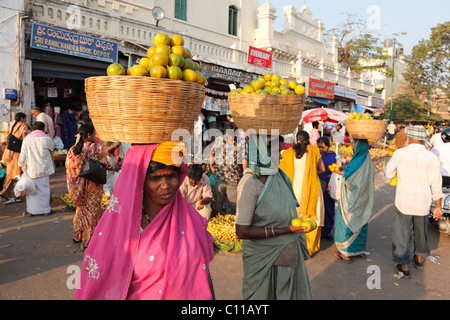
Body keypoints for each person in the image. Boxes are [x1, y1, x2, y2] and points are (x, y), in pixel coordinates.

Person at [74, 142, 215, 300]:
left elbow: (204, 276)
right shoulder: (120, 226)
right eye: (155, 178)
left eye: (171, 176)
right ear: (140, 180)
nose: (165, 186)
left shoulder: (191, 220)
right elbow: (102, 281)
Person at [236, 134, 312, 300]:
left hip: (287, 251)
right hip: (261, 256)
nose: (280, 155)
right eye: (276, 150)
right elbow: (242, 231)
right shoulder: (250, 183)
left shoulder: (278, 177)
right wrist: (285, 230)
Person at [385, 126, 443, 278]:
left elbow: (388, 173)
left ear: (409, 138)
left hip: (403, 202)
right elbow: (436, 183)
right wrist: (438, 206)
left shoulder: (400, 153)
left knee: (402, 233)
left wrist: (391, 178)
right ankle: (419, 258)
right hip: (423, 204)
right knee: (421, 232)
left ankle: (404, 266)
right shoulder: (431, 157)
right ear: (423, 139)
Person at [65, 125, 116, 250]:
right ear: (89, 135)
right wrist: (115, 167)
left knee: (81, 210)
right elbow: (106, 164)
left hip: (79, 187)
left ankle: (77, 236)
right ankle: (88, 239)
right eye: (93, 134)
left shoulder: (73, 149)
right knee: (92, 212)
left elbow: (69, 166)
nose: (94, 136)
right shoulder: (96, 148)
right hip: (93, 185)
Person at [279, 130, 325, 256]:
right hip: (310, 189)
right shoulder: (314, 151)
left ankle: (292, 245)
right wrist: (313, 175)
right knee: (312, 218)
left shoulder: (288, 153)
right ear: (309, 140)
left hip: (293, 189)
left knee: (294, 218)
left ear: (296, 139)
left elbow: (281, 172)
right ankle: (309, 248)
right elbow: (322, 169)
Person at [333, 139, 374, 263]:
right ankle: (359, 249)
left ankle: (345, 251)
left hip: (351, 199)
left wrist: (340, 169)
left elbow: (348, 179)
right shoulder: (367, 159)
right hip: (363, 198)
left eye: (354, 146)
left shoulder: (356, 162)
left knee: (345, 221)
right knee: (361, 221)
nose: (352, 149)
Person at [17, 122, 55, 217]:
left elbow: (23, 154)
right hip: (44, 169)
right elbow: (52, 148)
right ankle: (46, 210)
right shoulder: (46, 138)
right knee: (44, 189)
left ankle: (31, 211)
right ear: (43, 128)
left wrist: (20, 166)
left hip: (31, 169)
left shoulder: (27, 139)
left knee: (31, 191)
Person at [210, 122, 247, 216]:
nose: (232, 137)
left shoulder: (242, 142)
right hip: (220, 175)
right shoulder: (220, 140)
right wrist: (211, 165)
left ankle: (230, 217)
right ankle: (217, 215)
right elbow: (212, 153)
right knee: (218, 197)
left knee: (232, 201)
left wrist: (245, 173)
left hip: (234, 176)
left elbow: (244, 160)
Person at [0, 112, 29, 204]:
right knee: (18, 172)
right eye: (25, 118)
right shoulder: (24, 126)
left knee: (10, 173)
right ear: (21, 118)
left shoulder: (14, 125)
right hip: (17, 152)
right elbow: (24, 140)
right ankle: (19, 194)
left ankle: (5, 192)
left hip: (10, 152)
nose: (25, 120)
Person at [317, 137, 338, 241]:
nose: (321, 149)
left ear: (328, 146)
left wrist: (339, 166)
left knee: (329, 208)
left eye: (323, 147)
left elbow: (339, 166)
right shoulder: (316, 155)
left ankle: (327, 231)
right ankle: (319, 231)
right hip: (318, 183)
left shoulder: (333, 155)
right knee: (319, 208)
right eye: (319, 147)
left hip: (329, 184)